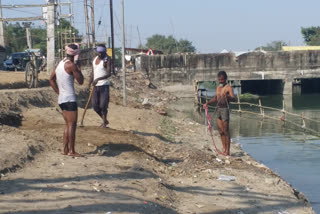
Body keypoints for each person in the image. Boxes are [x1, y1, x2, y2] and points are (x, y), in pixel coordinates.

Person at [49, 43, 84, 157]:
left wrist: (59, 92)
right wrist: (78, 66)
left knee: (67, 125)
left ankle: (65, 149)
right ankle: (71, 151)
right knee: (72, 125)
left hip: (62, 99)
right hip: (69, 99)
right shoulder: (71, 66)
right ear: (75, 54)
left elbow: (51, 79)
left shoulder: (60, 63)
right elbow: (81, 81)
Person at [203, 71, 235, 156]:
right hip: (218, 109)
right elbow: (215, 98)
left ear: (225, 79)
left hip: (225, 109)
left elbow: (233, 98)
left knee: (226, 130)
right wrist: (207, 103)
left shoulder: (228, 88)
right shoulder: (218, 88)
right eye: (219, 79)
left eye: (222, 79)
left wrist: (227, 96)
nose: (221, 81)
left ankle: (227, 151)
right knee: (221, 131)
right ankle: (224, 148)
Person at [89, 44, 111, 128]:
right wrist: (89, 84)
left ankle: (104, 122)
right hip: (95, 86)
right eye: (99, 53)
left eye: (102, 53)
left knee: (103, 105)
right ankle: (104, 120)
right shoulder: (94, 59)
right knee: (95, 106)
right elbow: (92, 73)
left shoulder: (107, 60)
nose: (100, 54)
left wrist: (98, 79)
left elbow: (109, 74)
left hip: (104, 85)